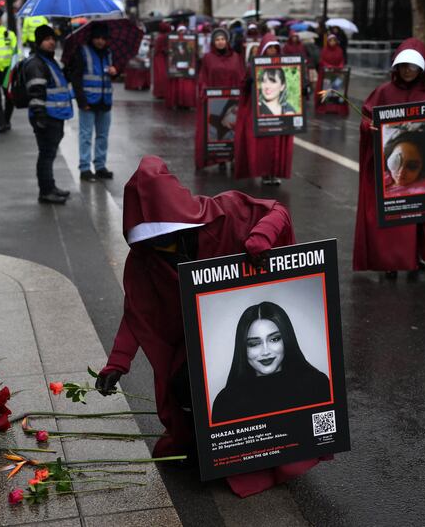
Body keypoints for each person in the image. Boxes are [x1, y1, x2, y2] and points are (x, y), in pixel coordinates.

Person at [95, 156, 329, 497]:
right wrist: (118, 362)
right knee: (186, 387)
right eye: (153, 237)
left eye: (168, 232)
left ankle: (268, 450)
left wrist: (260, 237)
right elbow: (138, 312)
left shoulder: (226, 212)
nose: (163, 243)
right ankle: (206, 446)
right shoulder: (145, 257)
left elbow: (276, 210)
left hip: (243, 318)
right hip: (191, 342)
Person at [354, 38, 425, 279]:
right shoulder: (383, 92)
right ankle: (391, 261)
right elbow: (366, 116)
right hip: (390, 168)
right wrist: (367, 127)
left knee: (420, 218)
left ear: (422, 68)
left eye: (412, 66)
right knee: (392, 218)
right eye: (403, 66)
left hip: (421, 172)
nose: (407, 71)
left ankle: (417, 256)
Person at [211, 301, 331, 424]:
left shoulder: (317, 385)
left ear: (286, 339)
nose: (265, 351)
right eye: (254, 344)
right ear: (243, 349)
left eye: (274, 339)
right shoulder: (226, 402)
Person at [234, 34, 295, 185]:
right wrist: (249, 82)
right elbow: (243, 88)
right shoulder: (253, 66)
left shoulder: (284, 66)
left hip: (279, 113)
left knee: (278, 142)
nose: (273, 51)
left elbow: (291, 88)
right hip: (260, 113)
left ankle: (274, 172)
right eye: (269, 48)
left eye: (275, 48)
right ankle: (264, 173)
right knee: (264, 145)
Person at [24, 25, 74, 204]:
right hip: (46, 117)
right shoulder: (36, 63)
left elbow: (57, 84)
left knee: (49, 154)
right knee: (46, 155)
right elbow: (35, 92)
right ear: (39, 42)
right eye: (46, 39)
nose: (51, 42)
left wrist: (67, 71)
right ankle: (45, 191)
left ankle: (50, 187)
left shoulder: (50, 61)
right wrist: (40, 117)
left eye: (53, 38)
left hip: (56, 115)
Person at [68, 21, 116, 182]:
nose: (100, 41)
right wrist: (82, 101)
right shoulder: (83, 52)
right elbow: (76, 79)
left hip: (105, 101)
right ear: (92, 38)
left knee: (102, 136)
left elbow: (110, 75)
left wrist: (115, 71)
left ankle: (100, 166)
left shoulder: (109, 53)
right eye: (97, 38)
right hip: (88, 102)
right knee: (86, 136)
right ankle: (85, 168)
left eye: (103, 38)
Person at [194, 28, 246, 172]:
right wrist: (204, 88)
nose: (220, 42)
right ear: (213, 42)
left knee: (234, 130)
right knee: (218, 130)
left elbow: (241, 76)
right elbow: (203, 77)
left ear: (227, 41)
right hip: (214, 102)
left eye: (223, 39)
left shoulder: (236, 57)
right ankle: (220, 159)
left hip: (233, 102)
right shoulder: (208, 58)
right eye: (217, 40)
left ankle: (233, 157)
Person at [382, 123, 425, 197]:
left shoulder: (422, 188)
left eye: (412, 166)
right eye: (395, 161)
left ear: (423, 167)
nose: (401, 172)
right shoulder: (381, 177)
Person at [315, 34, 348, 115]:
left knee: (337, 89)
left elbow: (342, 60)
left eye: (334, 40)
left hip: (337, 73)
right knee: (326, 89)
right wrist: (328, 66)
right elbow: (321, 61)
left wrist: (340, 66)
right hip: (326, 74)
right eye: (330, 41)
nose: (332, 42)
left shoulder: (339, 50)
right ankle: (324, 107)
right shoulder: (324, 50)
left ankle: (337, 108)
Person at [166, 25, 197, 109]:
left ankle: (187, 102)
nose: (183, 33)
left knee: (187, 85)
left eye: (184, 31)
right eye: (181, 31)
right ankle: (177, 102)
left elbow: (192, 53)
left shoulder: (190, 42)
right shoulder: (174, 43)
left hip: (187, 67)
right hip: (177, 68)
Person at [152, 22, 171, 99]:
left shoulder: (160, 36)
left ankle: (159, 92)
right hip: (161, 57)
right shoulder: (164, 37)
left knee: (159, 75)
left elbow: (157, 48)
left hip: (158, 57)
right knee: (162, 74)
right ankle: (162, 92)